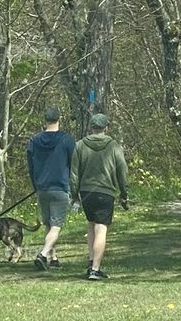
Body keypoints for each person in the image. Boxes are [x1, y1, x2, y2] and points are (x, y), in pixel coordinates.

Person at [70, 113, 129, 280]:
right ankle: (95, 269)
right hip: (105, 191)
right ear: (106, 128)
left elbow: (74, 173)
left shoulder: (80, 145)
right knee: (101, 228)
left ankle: (91, 261)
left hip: (86, 192)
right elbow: (122, 170)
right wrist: (124, 192)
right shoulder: (114, 146)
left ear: (91, 128)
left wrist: (74, 195)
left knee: (91, 225)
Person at [26, 107, 76, 271]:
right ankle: (42, 254)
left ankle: (53, 259)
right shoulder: (66, 140)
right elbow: (73, 164)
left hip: (42, 187)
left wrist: (35, 185)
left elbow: (30, 165)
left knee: (48, 224)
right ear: (59, 119)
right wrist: (74, 187)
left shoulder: (34, 140)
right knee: (56, 225)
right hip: (60, 187)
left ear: (45, 120)